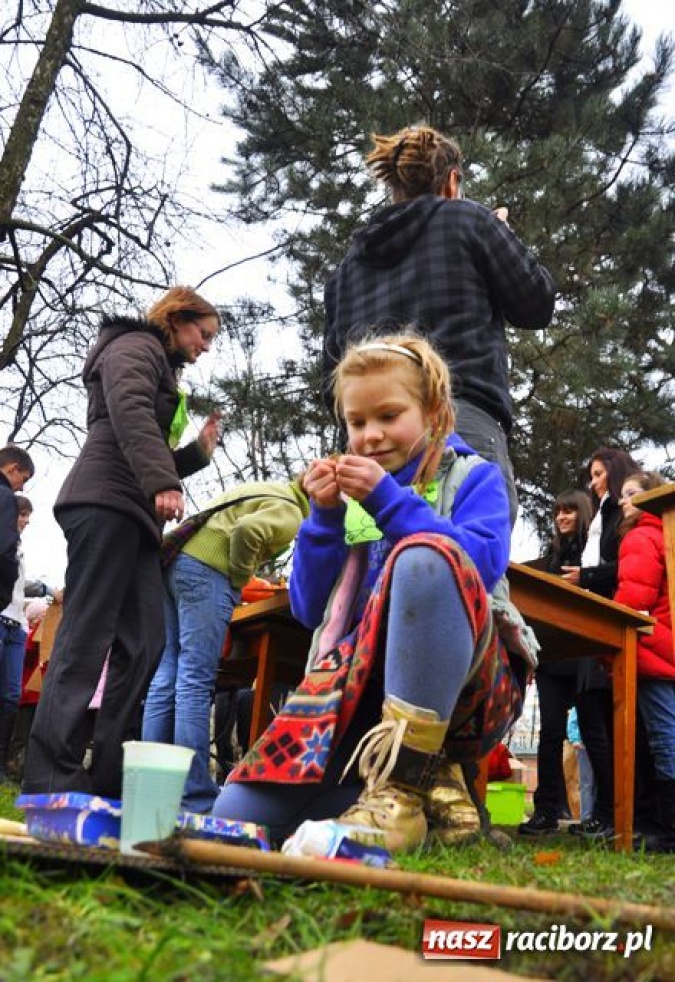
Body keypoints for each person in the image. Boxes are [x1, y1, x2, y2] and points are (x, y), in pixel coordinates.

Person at [212, 333, 524, 852]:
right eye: (357, 423)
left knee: (425, 556)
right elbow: (311, 611)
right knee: (237, 821)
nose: (371, 435)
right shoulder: (349, 503)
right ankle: (420, 815)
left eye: (388, 415)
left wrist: (388, 500)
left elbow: (482, 566)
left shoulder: (474, 477)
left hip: (469, 689)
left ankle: (408, 786)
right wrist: (323, 521)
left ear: (434, 413)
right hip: (356, 689)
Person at [23, 286, 221, 799]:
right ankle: (50, 775)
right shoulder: (134, 346)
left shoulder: (161, 362)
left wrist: (194, 456)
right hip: (102, 504)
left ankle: (109, 777)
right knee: (87, 637)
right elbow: (129, 409)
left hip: (133, 515)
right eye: (204, 334)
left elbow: (145, 444)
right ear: (177, 319)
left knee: (145, 642)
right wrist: (162, 481)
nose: (206, 346)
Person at [322, 124, 556, 525]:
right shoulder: (471, 221)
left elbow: (332, 374)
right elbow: (536, 304)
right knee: (468, 563)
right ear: (451, 182)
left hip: (370, 446)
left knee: (373, 571)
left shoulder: (347, 268)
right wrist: (499, 230)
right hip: (461, 419)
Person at [142, 477, 310, 813]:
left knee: (167, 674)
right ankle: (194, 795)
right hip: (207, 571)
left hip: (175, 565)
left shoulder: (266, 488)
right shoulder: (293, 511)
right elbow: (247, 531)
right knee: (194, 680)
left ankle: (151, 787)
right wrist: (239, 576)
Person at [561, 447, 641, 839]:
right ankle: (605, 813)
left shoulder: (619, 518)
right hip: (592, 630)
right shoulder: (600, 521)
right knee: (594, 728)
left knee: (605, 729)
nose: (592, 483)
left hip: (611, 626)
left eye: (597, 474)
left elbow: (625, 568)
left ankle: (612, 813)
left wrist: (587, 579)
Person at [518, 489, 593, 835]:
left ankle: (600, 813)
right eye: (558, 512)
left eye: (569, 511)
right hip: (552, 659)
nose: (562, 517)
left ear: (582, 513)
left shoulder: (591, 552)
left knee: (594, 734)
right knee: (549, 735)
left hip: (584, 657)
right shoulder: (551, 556)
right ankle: (545, 810)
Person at [614, 471, 675, 851]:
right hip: (669, 645)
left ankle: (669, 831)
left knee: (664, 740)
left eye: (631, 494)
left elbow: (633, 603)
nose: (624, 502)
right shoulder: (667, 537)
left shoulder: (641, 536)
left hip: (654, 649)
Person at [0, 446, 34, 613]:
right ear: (13, 469)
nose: (22, 488)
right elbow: (4, 549)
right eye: (24, 479)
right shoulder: (5, 496)